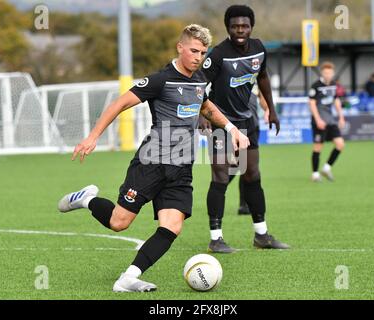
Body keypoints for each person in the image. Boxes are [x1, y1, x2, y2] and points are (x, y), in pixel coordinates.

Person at [57, 24, 250, 292]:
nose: (198, 57)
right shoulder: (160, 80)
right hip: (152, 163)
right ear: (180, 47)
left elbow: (206, 106)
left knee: (172, 226)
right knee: (118, 222)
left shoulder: (199, 81)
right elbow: (119, 103)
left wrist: (231, 129)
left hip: (182, 167)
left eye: (203, 52)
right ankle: (87, 198)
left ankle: (128, 278)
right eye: (194, 50)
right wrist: (92, 137)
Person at [200, 4, 289, 253]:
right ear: (228, 28)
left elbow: (262, 77)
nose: (240, 30)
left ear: (252, 27)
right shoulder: (218, 55)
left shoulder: (259, 49)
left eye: (245, 26)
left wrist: (271, 109)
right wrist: (201, 115)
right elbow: (198, 85)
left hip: (247, 122)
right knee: (220, 176)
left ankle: (262, 235)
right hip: (221, 123)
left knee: (252, 174)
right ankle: (215, 238)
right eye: (235, 26)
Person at [309, 61, 346, 182]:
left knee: (340, 144)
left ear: (333, 73)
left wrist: (341, 117)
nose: (328, 75)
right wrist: (318, 119)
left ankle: (326, 168)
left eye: (330, 73)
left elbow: (336, 101)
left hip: (330, 120)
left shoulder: (334, 85)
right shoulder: (316, 86)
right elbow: (312, 103)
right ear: (322, 73)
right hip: (319, 121)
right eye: (325, 73)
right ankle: (315, 174)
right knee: (318, 147)